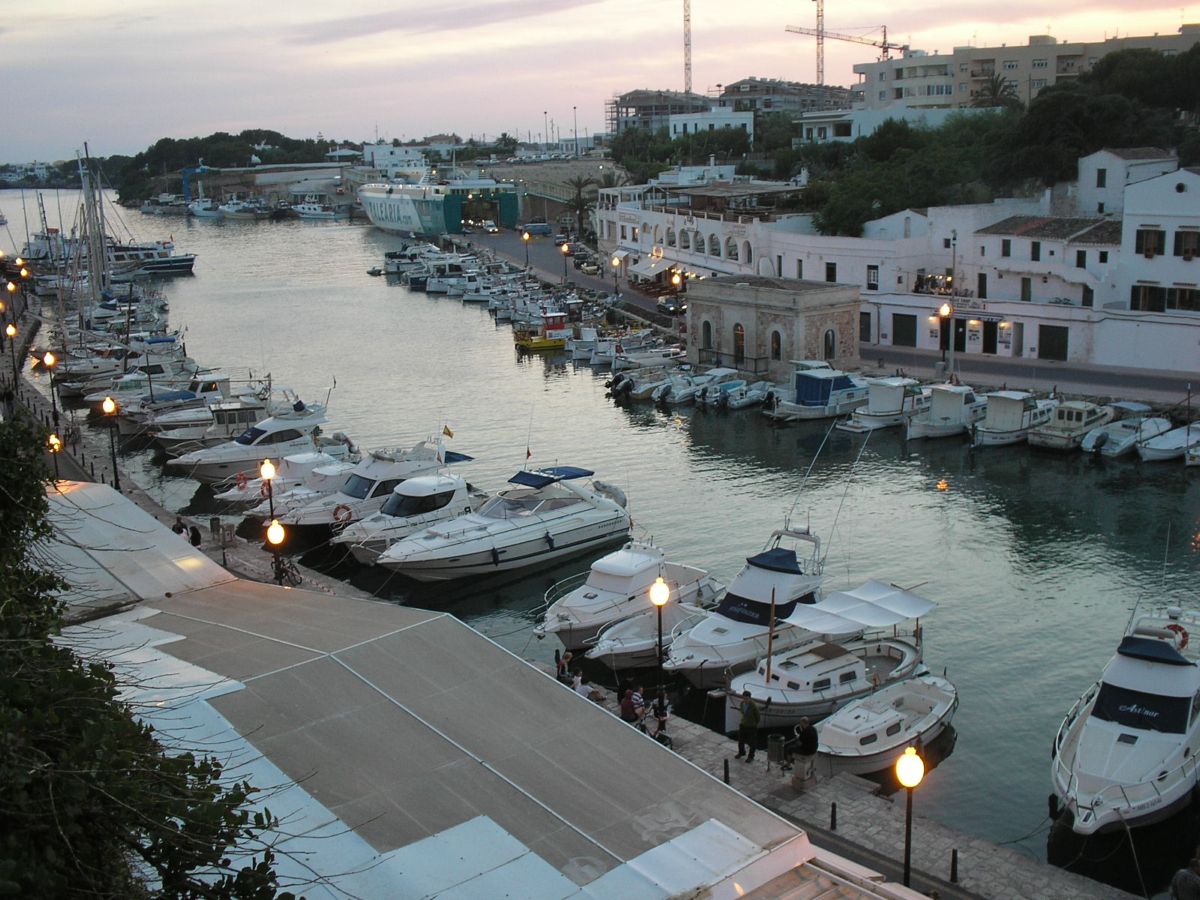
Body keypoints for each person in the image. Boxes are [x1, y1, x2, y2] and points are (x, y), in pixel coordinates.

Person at [735, 691, 761, 762]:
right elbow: (743, 712)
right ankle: (741, 752)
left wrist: (754, 723)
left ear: (749, 698)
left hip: (751, 726)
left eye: (746, 698)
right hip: (743, 724)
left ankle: (751, 756)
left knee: (752, 742)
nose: (745, 700)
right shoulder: (742, 703)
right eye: (744, 698)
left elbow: (758, 717)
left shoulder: (753, 706)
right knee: (740, 740)